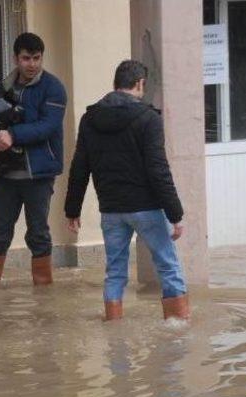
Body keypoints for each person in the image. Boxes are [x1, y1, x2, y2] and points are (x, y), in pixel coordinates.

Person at [64, 60, 189, 321]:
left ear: (115, 85)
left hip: (111, 210)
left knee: (115, 271)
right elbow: (158, 170)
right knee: (168, 266)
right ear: (140, 84)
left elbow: (79, 167)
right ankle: (178, 331)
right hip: (147, 208)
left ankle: (114, 334)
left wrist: (72, 210)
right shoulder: (148, 118)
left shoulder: (90, 119)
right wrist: (175, 214)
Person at [0, 32, 67, 286]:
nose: (32, 64)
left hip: (38, 175)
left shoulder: (53, 88)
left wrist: (12, 134)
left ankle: (43, 296)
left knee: (38, 234)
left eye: (37, 58)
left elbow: (47, 127)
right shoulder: (5, 87)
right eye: (26, 58)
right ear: (16, 58)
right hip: (6, 175)